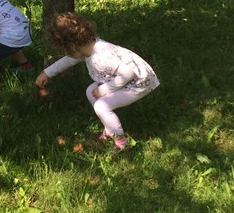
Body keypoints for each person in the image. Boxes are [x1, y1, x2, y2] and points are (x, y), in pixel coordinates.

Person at [35, 12, 159, 153]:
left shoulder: (101, 56)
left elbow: (128, 73)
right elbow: (68, 61)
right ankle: (110, 130)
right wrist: (47, 73)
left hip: (139, 82)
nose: (66, 54)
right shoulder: (87, 47)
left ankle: (122, 143)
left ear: (72, 46)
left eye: (65, 50)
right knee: (90, 92)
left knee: (101, 105)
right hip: (124, 79)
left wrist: (103, 90)